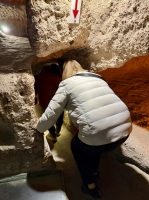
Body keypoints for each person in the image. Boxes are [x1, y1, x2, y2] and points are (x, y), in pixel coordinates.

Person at [36, 60, 132, 198]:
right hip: (126, 130)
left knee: (78, 147)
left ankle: (90, 186)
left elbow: (51, 114)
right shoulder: (98, 78)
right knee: (94, 141)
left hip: (100, 135)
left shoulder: (66, 84)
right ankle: (94, 172)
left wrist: (39, 127)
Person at [34, 63, 64, 142]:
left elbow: (35, 91)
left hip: (45, 102)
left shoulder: (38, 77)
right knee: (59, 117)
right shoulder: (58, 77)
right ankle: (58, 131)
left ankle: (53, 135)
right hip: (59, 102)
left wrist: (35, 100)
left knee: (48, 119)